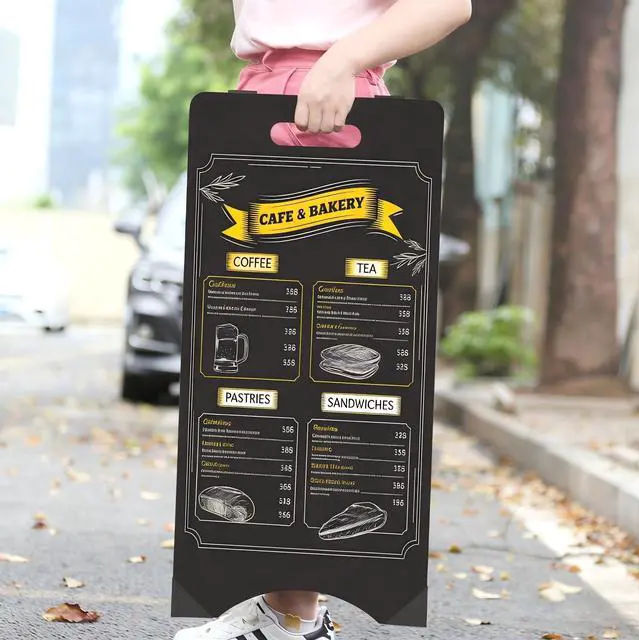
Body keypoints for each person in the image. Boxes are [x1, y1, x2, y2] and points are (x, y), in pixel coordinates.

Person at [175, 1, 472, 638]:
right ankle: (285, 612)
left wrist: (340, 62)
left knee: (305, 384)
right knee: (260, 385)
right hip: (273, 97)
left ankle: (292, 621)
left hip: (324, 99)